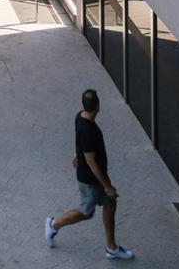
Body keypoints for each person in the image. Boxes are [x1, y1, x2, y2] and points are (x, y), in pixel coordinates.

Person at [45, 89, 134, 260]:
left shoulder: (80, 116)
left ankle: (112, 248)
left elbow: (80, 142)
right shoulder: (89, 130)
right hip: (89, 179)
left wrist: (76, 154)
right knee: (87, 212)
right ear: (98, 106)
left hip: (94, 176)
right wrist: (107, 186)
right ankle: (53, 224)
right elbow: (91, 161)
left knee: (110, 203)